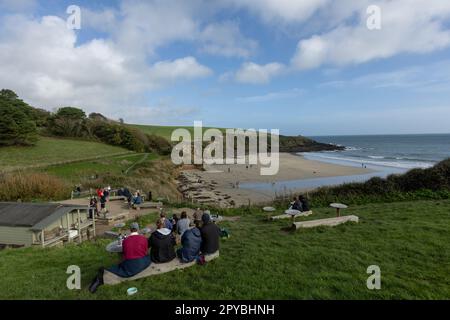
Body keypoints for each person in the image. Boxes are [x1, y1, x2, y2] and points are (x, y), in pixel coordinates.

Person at [89, 222, 150, 293]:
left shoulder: (126, 240)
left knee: (118, 267)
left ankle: (102, 274)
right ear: (138, 229)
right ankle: (102, 274)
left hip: (130, 266)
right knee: (148, 257)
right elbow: (145, 251)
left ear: (130, 230)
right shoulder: (144, 239)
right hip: (142, 263)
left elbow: (125, 253)